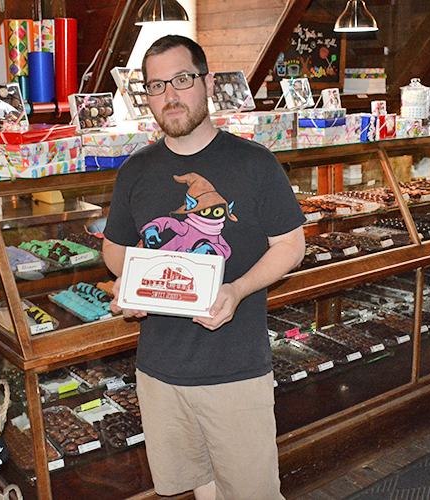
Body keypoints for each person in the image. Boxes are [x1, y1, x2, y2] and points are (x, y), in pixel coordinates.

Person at [102, 35, 306, 500]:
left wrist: (236, 290)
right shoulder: (135, 170)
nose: (170, 96)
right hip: (159, 371)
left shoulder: (255, 162)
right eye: (156, 86)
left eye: (181, 80)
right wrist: (128, 285)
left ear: (207, 83)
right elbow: (115, 249)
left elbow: (291, 246)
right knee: (197, 488)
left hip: (234, 369)